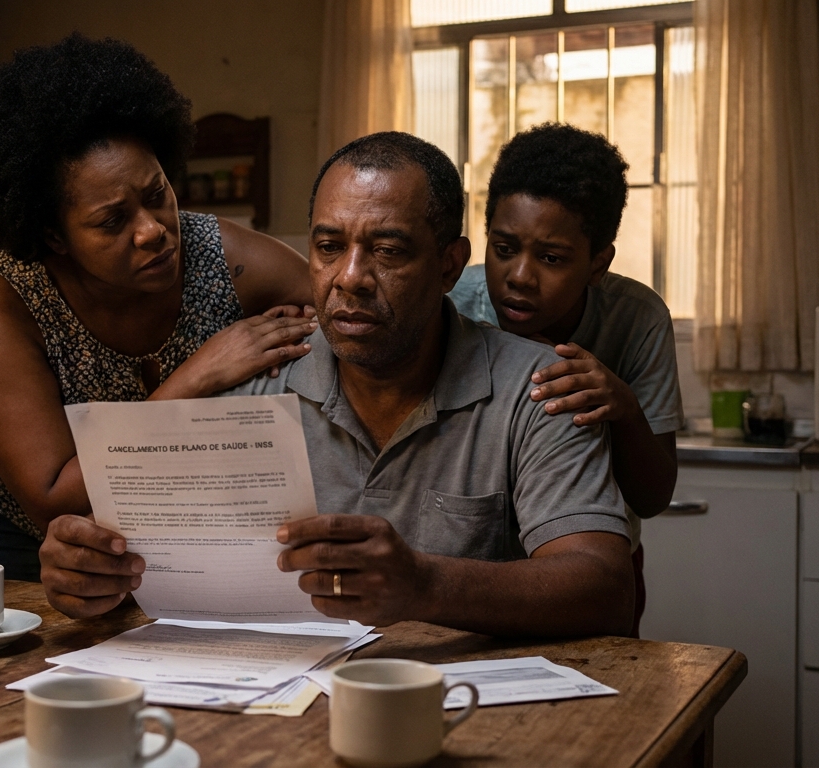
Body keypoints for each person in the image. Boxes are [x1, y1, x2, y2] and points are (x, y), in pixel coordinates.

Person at [39, 132, 636, 638]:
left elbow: (604, 585)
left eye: (388, 250)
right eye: (329, 247)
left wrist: (425, 585)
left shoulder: (540, 389)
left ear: (450, 264)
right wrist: (89, 574)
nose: (349, 278)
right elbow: (143, 564)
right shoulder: (259, 383)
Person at [0, 35, 317, 581]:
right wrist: (196, 378)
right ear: (53, 236)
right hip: (11, 530)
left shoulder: (222, 258)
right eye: (112, 221)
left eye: (157, 193)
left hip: (161, 518)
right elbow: (54, 499)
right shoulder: (3, 299)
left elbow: (346, 314)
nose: (153, 231)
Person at [447, 123, 682, 637]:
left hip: (587, 573)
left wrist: (623, 406)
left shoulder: (635, 318)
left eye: (551, 258)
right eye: (504, 248)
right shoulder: (448, 306)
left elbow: (654, 497)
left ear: (599, 264)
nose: (520, 276)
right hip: (465, 571)